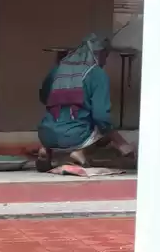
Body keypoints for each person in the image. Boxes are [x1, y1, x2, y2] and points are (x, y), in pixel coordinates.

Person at [36, 33, 131, 171]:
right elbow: (101, 116)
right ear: (99, 53)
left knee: (61, 118)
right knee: (103, 127)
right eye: (105, 56)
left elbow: (44, 97)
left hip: (46, 134)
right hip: (75, 136)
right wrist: (121, 143)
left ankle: (46, 150)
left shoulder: (58, 70)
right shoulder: (97, 74)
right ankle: (78, 153)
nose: (105, 61)